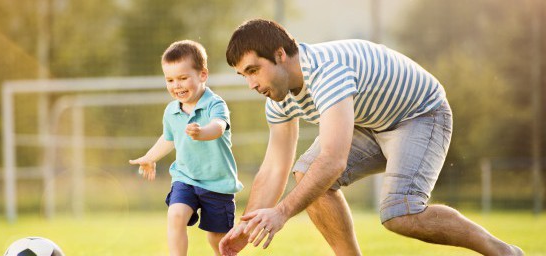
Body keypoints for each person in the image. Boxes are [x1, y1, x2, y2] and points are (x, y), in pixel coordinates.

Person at [218, 19, 523, 256]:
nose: (251, 84)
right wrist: (247, 226)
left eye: (254, 70)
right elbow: (274, 168)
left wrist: (282, 212)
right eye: (244, 75)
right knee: (305, 174)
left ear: (280, 54)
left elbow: (333, 160)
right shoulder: (278, 97)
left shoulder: (327, 73)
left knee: (399, 213)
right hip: (370, 122)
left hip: (419, 114)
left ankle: (501, 251)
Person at [129, 40, 243, 256]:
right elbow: (169, 137)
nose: (176, 85)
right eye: (170, 80)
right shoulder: (171, 110)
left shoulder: (215, 104)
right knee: (176, 214)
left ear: (202, 75)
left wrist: (202, 132)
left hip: (218, 183)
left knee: (218, 241)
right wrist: (150, 156)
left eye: (183, 78)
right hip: (186, 178)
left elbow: (218, 127)